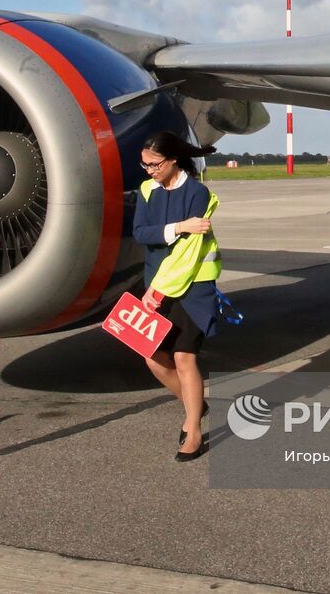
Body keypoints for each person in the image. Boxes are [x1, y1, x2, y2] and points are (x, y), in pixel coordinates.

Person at [131, 131, 221, 462]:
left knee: (184, 357)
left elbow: (188, 253)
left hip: (193, 286)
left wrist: (158, 291)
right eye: (144, 164)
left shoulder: (198, 193)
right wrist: (180, 227)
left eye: (154, 164)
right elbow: (140, 233)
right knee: (152, 357)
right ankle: (194, 403)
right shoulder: (147, 190)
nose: (149, 170)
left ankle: (192, 429)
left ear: (173, 160)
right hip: (156, 286)